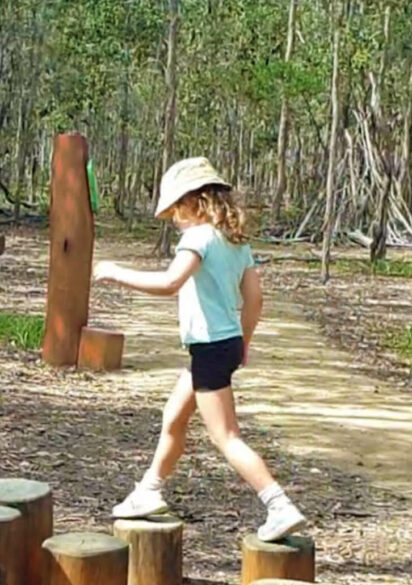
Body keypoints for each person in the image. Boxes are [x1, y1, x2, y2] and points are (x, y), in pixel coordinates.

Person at [93, 156, 306, 542]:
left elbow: (170, 283)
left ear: (197, 201)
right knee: (173, 416)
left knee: (226, 436)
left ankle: (278, 505)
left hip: (209, 348)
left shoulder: (197, 238)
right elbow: (255, 298)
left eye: (177, 208)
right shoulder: (235, 241)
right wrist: (244, 341)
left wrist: (114, 272)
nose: (174, 217)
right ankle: (148, 491)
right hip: (221, 345)